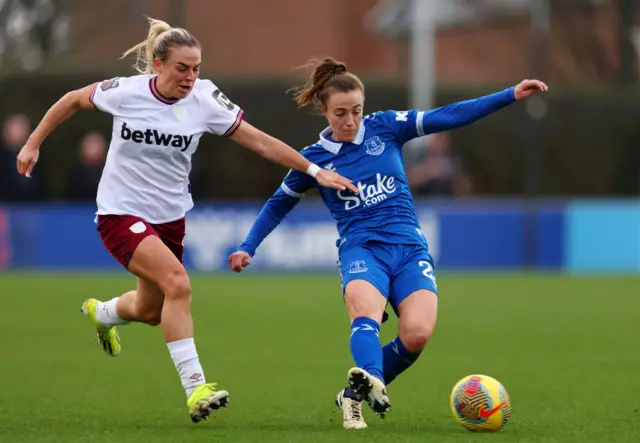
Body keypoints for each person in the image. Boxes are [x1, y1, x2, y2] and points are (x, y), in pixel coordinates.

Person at [15, 19, 357, 424]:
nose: (191, 77)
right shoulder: (127, 92)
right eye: (182, 68)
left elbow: (261, 141)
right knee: (179, 283)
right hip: (120, 213)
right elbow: (72, 99)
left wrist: (316, 173)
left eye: (196, 68)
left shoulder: (206, 100)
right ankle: (197, 388)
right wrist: (33, 143)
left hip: (170, 219)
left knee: (149, 309)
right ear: (158, 64)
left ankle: (102, 313)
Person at [228, 57, 548, 429]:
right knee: (364, 315)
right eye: (341, 113)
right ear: (324, 111)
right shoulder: (312, 161)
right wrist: (248, 246)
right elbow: (278, 204)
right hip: (362, 251)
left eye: (357, 111)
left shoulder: (386, 127)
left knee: (416, 335)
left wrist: (508, 95)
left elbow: (448, 116)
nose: (350, 121)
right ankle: (366, 385)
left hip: (410, 249)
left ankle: (354, 393)